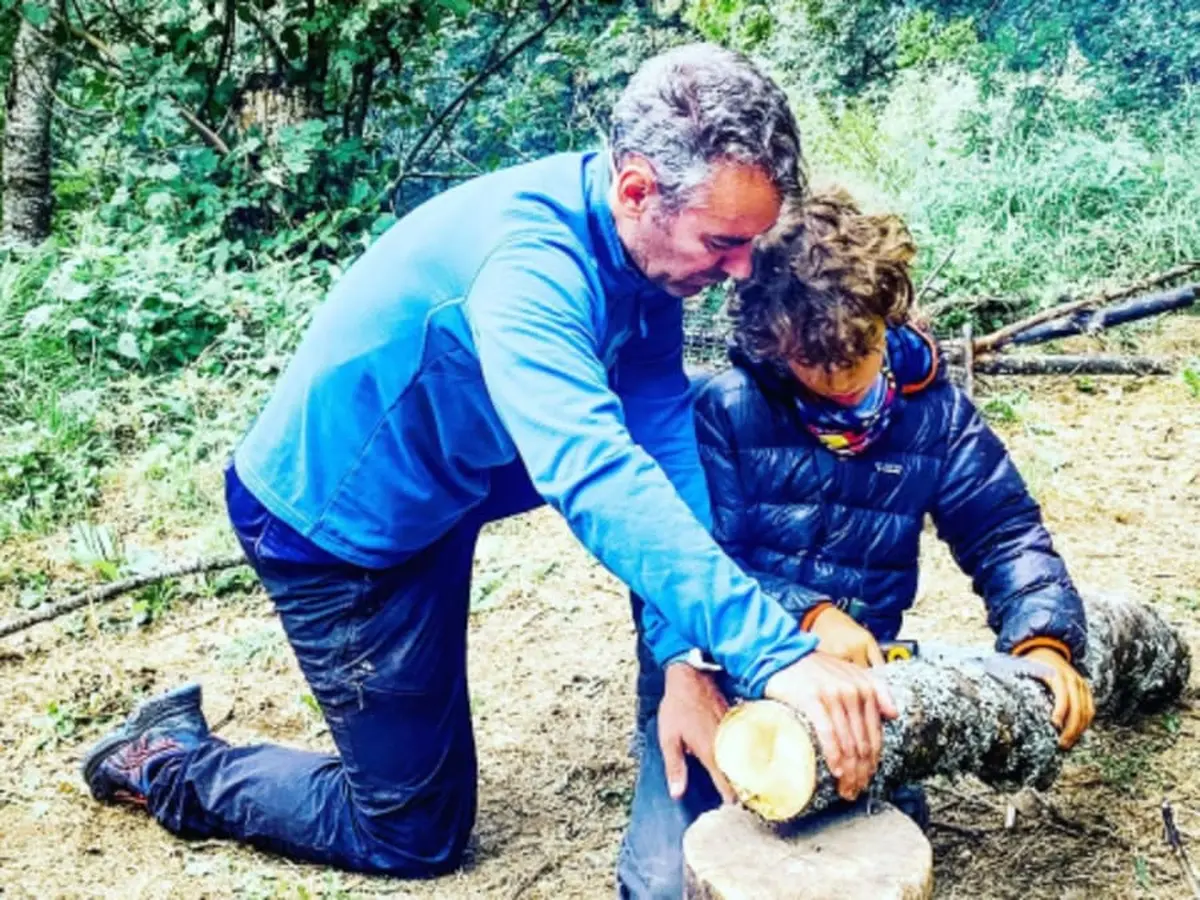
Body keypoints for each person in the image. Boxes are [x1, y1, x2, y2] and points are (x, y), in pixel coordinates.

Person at [81, 45, 894, 878]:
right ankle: (166, 757)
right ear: (638, 189)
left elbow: (656, 446)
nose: (741, 270)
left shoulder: (641, 255)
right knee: (412, 832)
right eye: (723, 242)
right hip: (335, 533)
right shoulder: (530, 267)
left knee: (689, 429)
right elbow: (596, 474)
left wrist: (686, 655)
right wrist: (774, 652)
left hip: (445, 488)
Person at [617, 188, 1095, 898]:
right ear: (773, 344)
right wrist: (808, 615)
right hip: (716, 672)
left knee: (870, 870)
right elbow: (690, 560)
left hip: (863, 682)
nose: (844, 382)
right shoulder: (723, 410)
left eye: (862, 353)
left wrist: (1044, 641)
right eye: (815, 363)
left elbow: (1004, 532)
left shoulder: (934, 413)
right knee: (666, 885)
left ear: (886, 319)